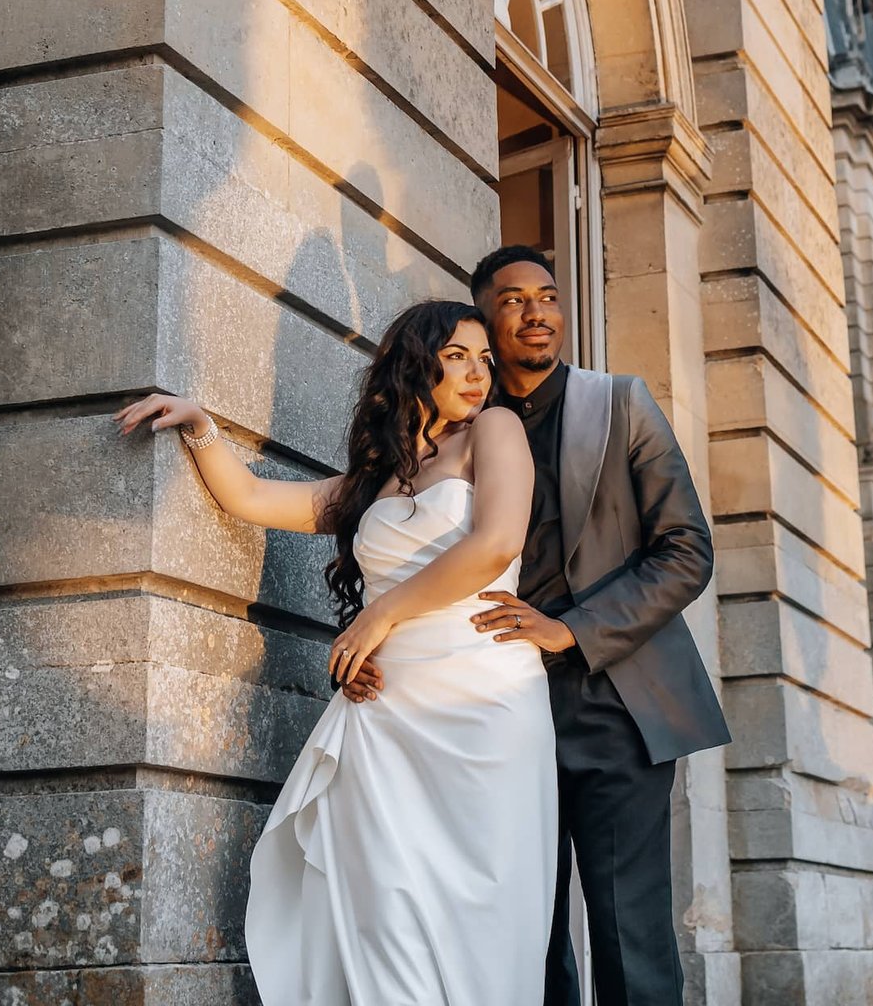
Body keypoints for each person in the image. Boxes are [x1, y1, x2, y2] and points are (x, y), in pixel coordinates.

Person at [113, 300, 555, 1004]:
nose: (477, 374)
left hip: (485, 702)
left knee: (478, 911)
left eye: (484, 359)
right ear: (415, 365)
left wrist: (377, 616)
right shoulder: (376, 479)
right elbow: (252, 498)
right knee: (379, 901)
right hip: (386, 710)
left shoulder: (495, 430)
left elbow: (496, 543)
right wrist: (200, 427)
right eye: (457, 356)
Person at [344, 246, 733, 1005]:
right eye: (514, 299)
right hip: (486, 707)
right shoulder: (443, 437)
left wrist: (572, 631)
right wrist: (373, 637)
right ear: (481, 321)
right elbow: (393, 550)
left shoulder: (620, 403)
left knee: (630, 933)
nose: (537, 312)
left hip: (611, 699)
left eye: (548, 297)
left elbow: (687, 551)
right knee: (522, 933)